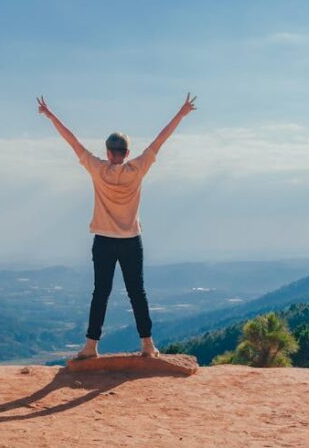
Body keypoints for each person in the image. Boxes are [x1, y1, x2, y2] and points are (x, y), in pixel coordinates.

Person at [37, 93, 197, 360]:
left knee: (101, 293)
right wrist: (181, 113)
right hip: (132, 240)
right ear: (127, 153)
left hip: (103, 240)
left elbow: (72, 142)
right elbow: (160, 140)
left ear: (108, 152)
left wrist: (51, 115)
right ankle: (147, 344)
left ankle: (91, 346)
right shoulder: (138, 169)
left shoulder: (98, 169)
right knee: (137, 292)